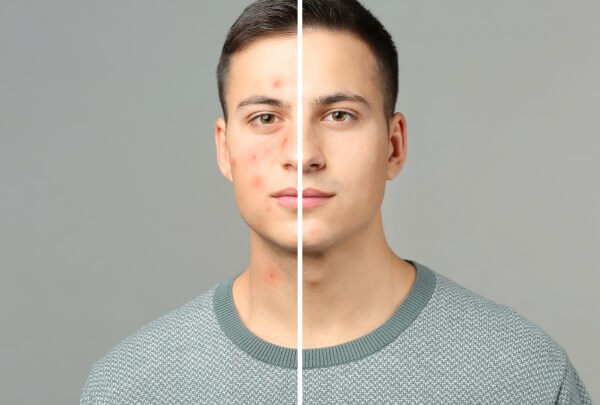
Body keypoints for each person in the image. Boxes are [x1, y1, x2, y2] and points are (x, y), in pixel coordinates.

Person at [80, 0, 593, 403]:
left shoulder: (522, 378)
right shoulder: (133, 388)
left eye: (339, 115)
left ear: (393, 146)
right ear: (224, 149)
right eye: (265, 118)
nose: (302, 154)